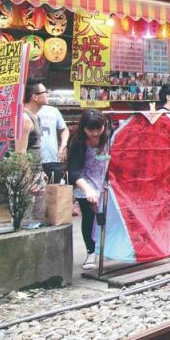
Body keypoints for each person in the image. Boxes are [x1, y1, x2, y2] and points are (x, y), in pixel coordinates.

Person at [67, 110, 112, 271]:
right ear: (83, 128)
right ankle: (91, 252)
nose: (94, 133)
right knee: (90, 219)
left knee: (107, 218)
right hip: (84, 185)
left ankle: (107, 249)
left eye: (98, 129)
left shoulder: (108, 137)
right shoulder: (78, 142)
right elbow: (73, 171)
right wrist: (87, 190)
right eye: (90, 130)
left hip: (104, 185)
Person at [16, 78, 48, 220]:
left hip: (35, 174)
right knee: (24, 219)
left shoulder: (35, 118)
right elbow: (20, 154)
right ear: (35, 97)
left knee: (37, 219)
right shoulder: (25, 119)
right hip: (26, 178)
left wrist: (40, 171)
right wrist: (29, 181)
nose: (48, 95)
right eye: (45, 92)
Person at [37, 103, 69, 184]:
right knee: (33, 193)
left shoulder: (53, 110)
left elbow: (64, 129)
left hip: (53, 159)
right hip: (33, 161)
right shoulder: (23, 109)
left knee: (54, 193)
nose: (46, 94)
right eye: (43, 92)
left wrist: (63, 145)